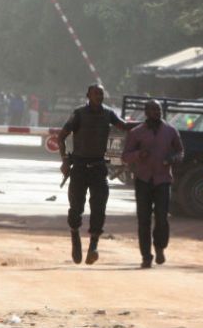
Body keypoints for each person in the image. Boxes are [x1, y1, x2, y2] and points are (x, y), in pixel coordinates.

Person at [57, 83, 135, 265]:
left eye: (101, 94)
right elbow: (61, 136)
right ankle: (75, 237)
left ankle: (93, 246)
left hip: (99, 167)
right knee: (76, 208)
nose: (99, 96)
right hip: (80, 166)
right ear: (88, 95)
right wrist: (65, 160)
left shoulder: (108, 113)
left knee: (99, 207)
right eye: (96, 93)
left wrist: (146, 122)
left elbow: (123, 126)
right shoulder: (78, 114)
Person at [122, 100, 184, 268]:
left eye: (159, 110)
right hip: (143, 180)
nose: (157, 112)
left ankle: (160, 247)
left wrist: (172, 159)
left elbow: (180, 151)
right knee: (143, 220)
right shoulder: (136, 133)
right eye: (153, 110)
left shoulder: (170, 131)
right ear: (146, 112)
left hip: (163, 180)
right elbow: (125, 156)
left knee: (162, 218)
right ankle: (146, 256)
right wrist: (138, 154)